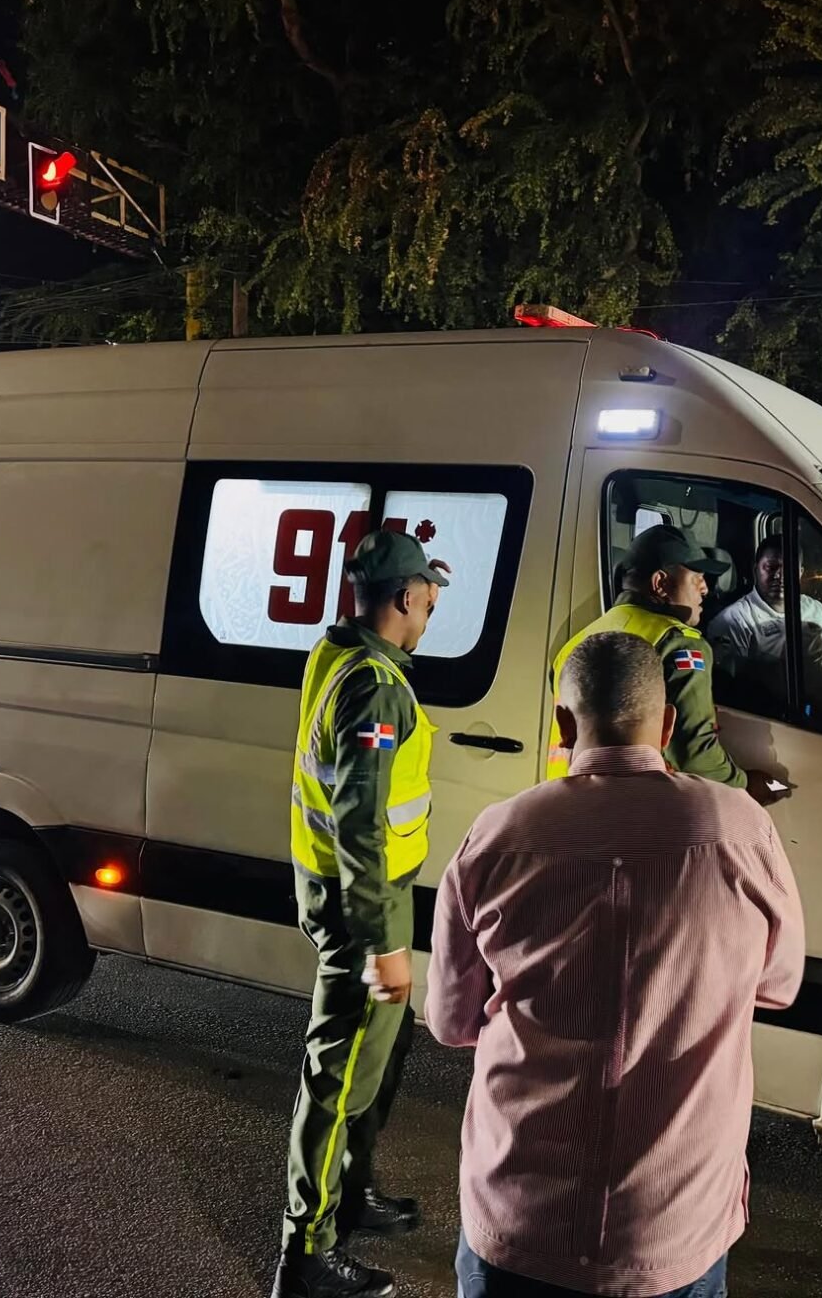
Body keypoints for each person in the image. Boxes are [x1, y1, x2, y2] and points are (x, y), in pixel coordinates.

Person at [427, 631, 805, 1298]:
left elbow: (451, 1021)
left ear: (563, 723)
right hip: (673, 1232)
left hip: (518, 1225)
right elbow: (780, 985)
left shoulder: (496, 836)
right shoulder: (741, 831)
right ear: (667, 724)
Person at [273, 530, 451, 1298]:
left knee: (376, 1054)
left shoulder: (336, 650)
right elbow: (359, 819)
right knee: (340, 1075)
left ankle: (350, 1193)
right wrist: (382, 940)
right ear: (405, 596)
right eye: (428, 597)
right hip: (361, 905)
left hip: (352, 892)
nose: (432, 608)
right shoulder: (374, 686)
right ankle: (306, 1254)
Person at [547, 523, 776, 802]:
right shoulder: (678, 644)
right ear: (660, 583)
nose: (705, 589)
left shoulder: (575, 643)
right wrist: (745, 785)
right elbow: (691, 753)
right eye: (696, 577)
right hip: (638, 810)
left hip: (567, 805)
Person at [707, 534, 822, 710]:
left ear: (800, 573)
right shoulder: (734, 621)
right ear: (755, 569)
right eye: (770, 567)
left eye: (789, 568)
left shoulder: (812, 608)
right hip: (773, 713)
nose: (779, 576)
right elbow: (730, 689)